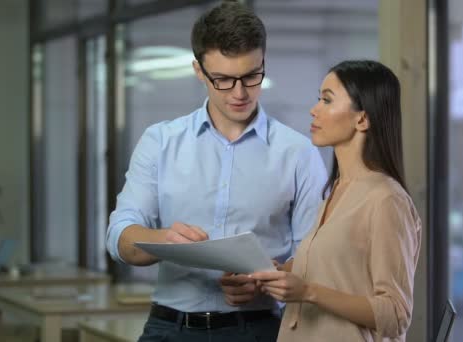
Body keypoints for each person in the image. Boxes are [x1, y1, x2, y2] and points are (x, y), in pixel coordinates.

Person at [105, 2, 326, 341]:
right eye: (222, 79)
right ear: (199, 70)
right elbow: (119, 238)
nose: (239, 93)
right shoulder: (160, 141)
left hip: (258, 330)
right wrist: (163, 239)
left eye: (251, 76)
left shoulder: (298, 153)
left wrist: (265, 283)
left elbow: (314, 259)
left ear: (263, 61)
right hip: (169, 329)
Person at [250, 60, 422, 342]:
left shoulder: (386, 200)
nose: (314, 109)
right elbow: (337, 270)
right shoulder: (336, 190)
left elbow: (395, 314)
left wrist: (307, 291)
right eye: (319, 98)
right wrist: (274, 273)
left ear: (362, 119)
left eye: (327, 100)